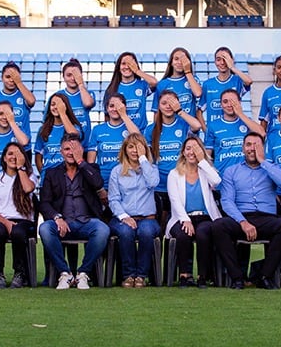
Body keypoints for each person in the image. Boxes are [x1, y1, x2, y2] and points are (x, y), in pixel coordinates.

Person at [210, 132, 281, 290]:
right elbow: (227, 201)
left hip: (266, 218)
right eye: (248, 145)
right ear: (242, 148)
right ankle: (237, 277)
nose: (252, 148)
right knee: (218, 226)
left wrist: (263, 161)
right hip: (242, 217)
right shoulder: (231, 171)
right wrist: (243, 222)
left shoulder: (271, 167)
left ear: (263, 148)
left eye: (257, 145)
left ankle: (264, 276)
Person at [38, 134, 110, 290]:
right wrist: (57, 217)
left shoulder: (91, 168)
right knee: (44, 228)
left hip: (86, 222)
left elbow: (98, 183)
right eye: (67, 149)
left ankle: (83, 273)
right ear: (61, 152)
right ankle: (65, 273)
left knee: (103, 229)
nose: (71, 152)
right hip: (63, 223)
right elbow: (44, 203)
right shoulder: (52, 173)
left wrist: (81, 162)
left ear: (82, 150)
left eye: (75, 149)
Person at [166, 136, 220, 288]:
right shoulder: (174, 174)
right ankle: (185, 274)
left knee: (203, 234)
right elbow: (175, 200)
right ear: (183, 152)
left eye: (195, 149)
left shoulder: (206, 171)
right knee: (184, 234)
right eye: (188, 148)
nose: (191, 152)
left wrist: (202, 161)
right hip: (181, 217)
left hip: (204, 217)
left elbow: (216, 181)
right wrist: (185, 219)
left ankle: (203, 275)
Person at [108, 133, 160, 288]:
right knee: (126, 232)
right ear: (125, 150)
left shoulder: (151, 169)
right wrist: (124, 217)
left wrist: (144, 159)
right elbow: (113, 199)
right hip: (123, 218)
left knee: (146, 232)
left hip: (147, 219)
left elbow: (152, 182)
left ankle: (141, 276)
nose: (134, 150)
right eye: (131, 147)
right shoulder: (116, 172)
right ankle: (129, 275)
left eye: (138, 147)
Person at [144, 90, 203, 226]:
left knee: (178, 225)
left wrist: (180, 111)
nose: (168, 106)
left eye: (172, 103)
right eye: (164, 103)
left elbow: (197, 125)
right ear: (158, 106)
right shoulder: (150, 129)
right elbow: (149, 159)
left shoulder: (183, 124)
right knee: (160, 226)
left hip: (180, 182)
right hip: (159, 185)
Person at [0, 143, 37, 289]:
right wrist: (6, 222)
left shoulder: (30, 176)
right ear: (4, 158)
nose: (13, 157)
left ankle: (20, 273)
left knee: (18, 232)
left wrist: (21, 168)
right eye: (10, 154)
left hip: (22, 220)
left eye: (17, 154)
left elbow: (27, 188)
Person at [204, 89, 264, 177]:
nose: (229, 105)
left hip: (245, 177)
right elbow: (207, 155)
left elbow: (262, 133)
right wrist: (211, 176)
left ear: (239, 103)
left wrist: (240, 114)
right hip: (222, 176)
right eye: (225, 102)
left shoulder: (246, 122)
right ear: (221, 105)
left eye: (233, 101)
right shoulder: (213, 126)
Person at [87, 93, 141, 187]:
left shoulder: (129, 127)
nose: (115, 109)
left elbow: (138, 139)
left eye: (118, 106)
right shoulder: (97, 129)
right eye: (112, 106)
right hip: (104, 181)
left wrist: (123, 114)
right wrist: (97, 186)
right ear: (107, 109)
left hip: (126, 181)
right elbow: (91, 162)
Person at [199, 46, 253, 128]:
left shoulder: (237, 80)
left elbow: (249, 81)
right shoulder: (208, 84)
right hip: (215, 131)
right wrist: (205, 129)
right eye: (218, 59)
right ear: (215, 62)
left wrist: (232, 67)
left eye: (225, 59)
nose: (222, 63)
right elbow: (199, 111)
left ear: (231, 60)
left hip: (234, 128)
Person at [0, 61, 36, 140]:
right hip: (0, 145)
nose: (11, 80)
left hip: (23, 146)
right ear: (2, 78)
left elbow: (32, 101)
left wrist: (19, 82)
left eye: (14, 77)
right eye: (8, 77)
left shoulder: (24, 95)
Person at [103, 52, 157, 131]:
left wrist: (137, 71)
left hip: (140, 134)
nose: (127, 67)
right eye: (123, 63)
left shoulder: (142, 85)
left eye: (130, 63)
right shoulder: (112, 89)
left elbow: (154, 82)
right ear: (119, 67)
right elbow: (107, 116)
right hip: (120, 134)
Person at [35, 92, 83, 174]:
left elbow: (74, 136)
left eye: (59, 104)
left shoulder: (74, 127)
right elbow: (38, 157)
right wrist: (43, 174)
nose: (56, 107)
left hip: (68, 177)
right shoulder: (43, 130)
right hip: (49, 178)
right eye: (53, 104)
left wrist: (62, 113)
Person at [56, 57, 96, 142]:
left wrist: (81, 83)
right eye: (69, 75)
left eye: (75, 75)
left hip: (85, 145)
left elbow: (88, 103)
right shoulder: (57, 96)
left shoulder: (88, 93)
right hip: (64, 143)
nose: (72, 78)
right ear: (63, 77)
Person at [153, 47, 202, 117]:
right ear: (171, 62)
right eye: (176, 59)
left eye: (183, 60)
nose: (180, 62)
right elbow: (156, 111)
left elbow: (198, 93)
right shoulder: (162, 84)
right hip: (172, 127)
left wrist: (187, 71)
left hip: (190, 126)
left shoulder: (193, 79)